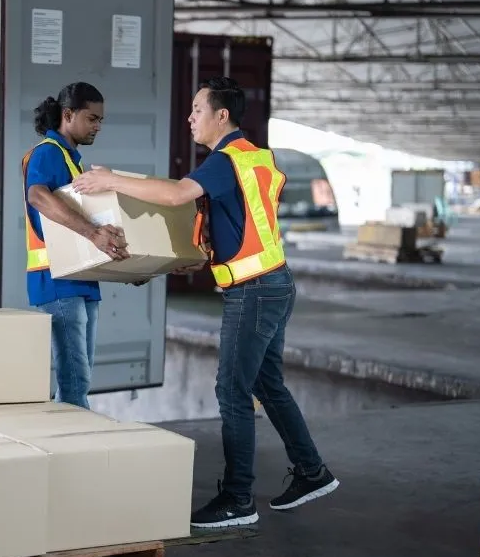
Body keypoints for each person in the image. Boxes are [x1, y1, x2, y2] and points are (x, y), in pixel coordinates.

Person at [71, 76, 338, 527]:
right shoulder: (256, 157)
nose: (190, 117)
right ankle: (312, 472)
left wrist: (111, 180)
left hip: (252, 291)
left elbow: (176, 194)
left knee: (232, 391)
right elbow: (243, 225)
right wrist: (196, 259)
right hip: (273, 283)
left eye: (197, 109)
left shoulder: (226, 158)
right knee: (267, 384)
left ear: (222, 116)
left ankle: (238, 499)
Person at [21, 82, 129, 410]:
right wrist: (94, 233)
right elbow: (37, 196)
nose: (98, 126)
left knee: (80, 376)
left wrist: (131, 266)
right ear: (67, 115)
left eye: (100, 120)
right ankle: (73, 450)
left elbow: (81, 229)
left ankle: (67, 443)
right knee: (75, 380)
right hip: (56, 278)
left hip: (80, 277)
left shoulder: (72, 161)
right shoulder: (46, 153)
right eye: (92, 119)